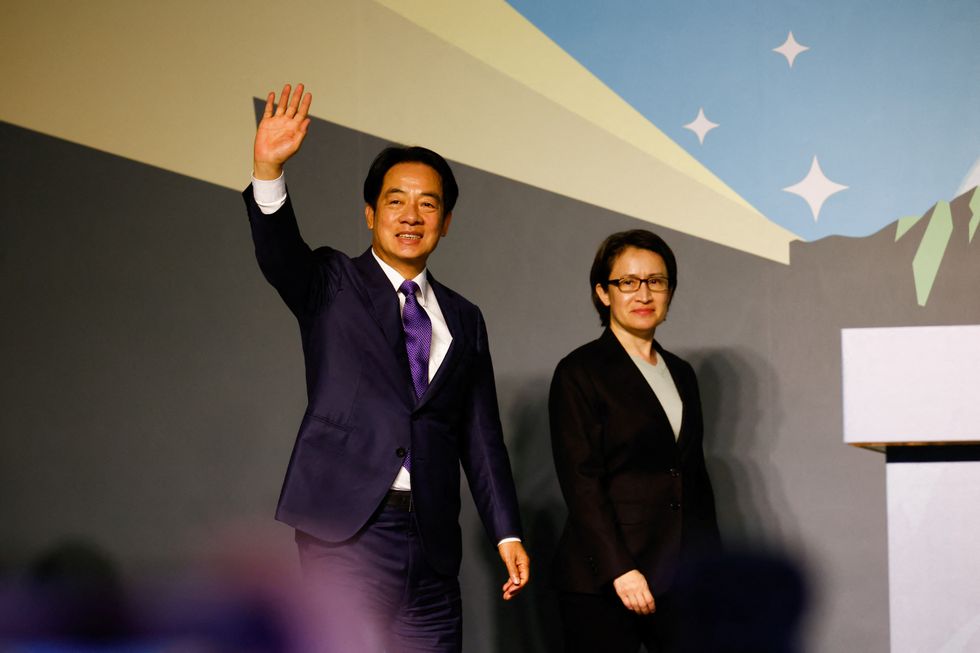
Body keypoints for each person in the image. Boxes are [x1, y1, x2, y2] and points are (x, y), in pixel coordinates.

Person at [243, 83, 529, 652]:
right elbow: (278, 253)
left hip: (432, 539)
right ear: (370, 213)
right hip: (345, 532)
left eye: (428, 204)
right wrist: (268, 168)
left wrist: (507, 532)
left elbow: (481, 435)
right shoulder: (331, 282)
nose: (411, 215)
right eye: (396, 200)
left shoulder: (465, 318)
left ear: (445, 221)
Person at [548, 230, 720, 653]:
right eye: (628, 282)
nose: (643, 293)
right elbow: (581, 483)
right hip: (604, 581)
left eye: (656, 281)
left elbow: (691, 474)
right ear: (603, 293)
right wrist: (620, 569)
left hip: (681, 576)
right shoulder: (580, 371)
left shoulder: (681, 372)